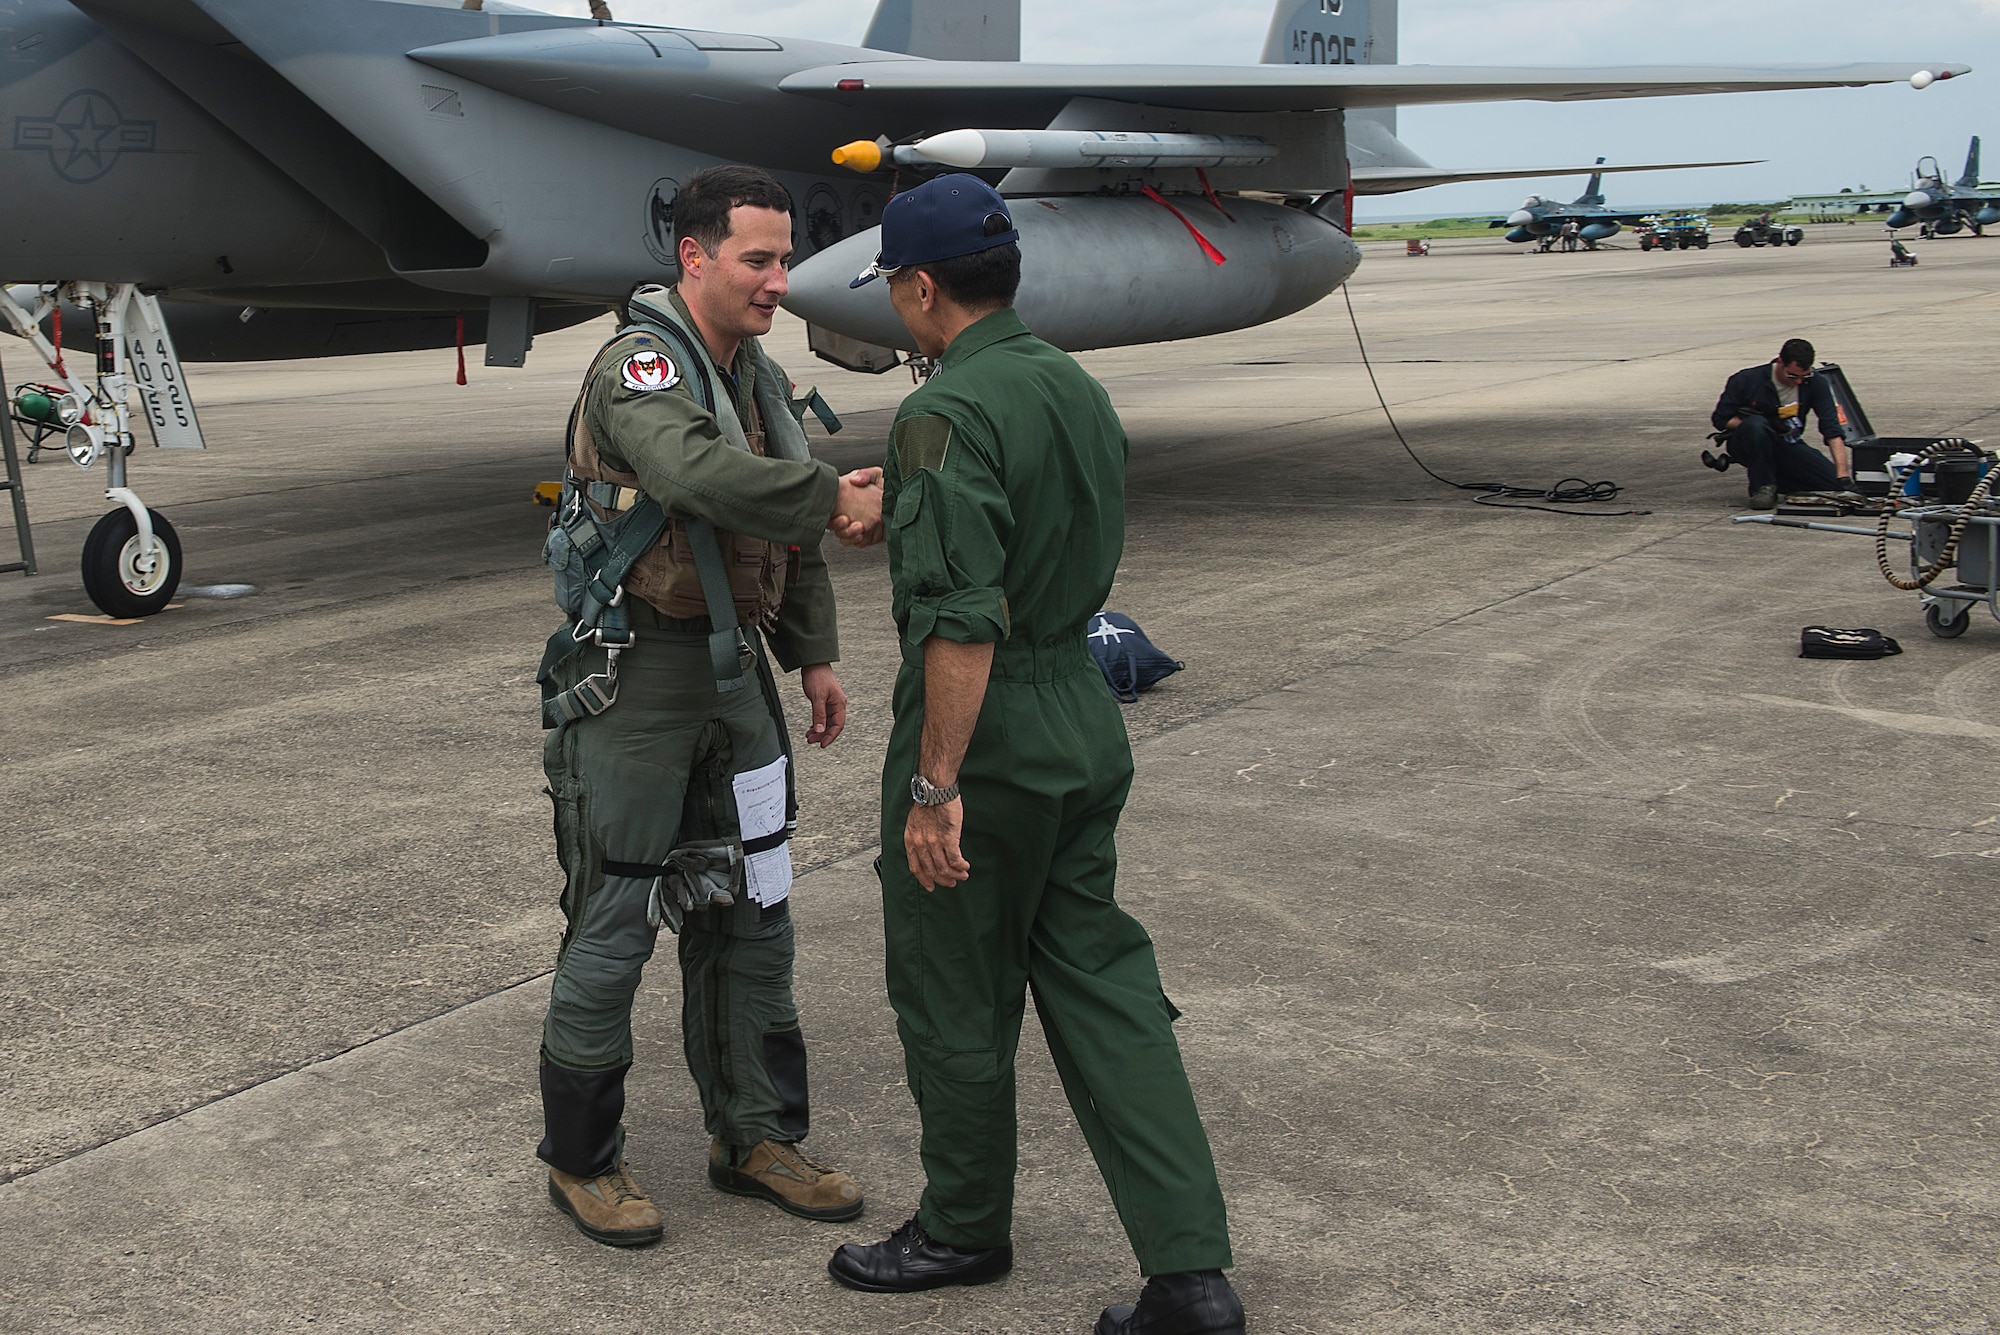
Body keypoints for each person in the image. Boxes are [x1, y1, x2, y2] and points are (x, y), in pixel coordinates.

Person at [826, 175, 1244, 1335]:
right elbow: (1029, 535)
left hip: (988, 726)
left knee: (953, 985)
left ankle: (961, 1227)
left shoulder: (941, 413)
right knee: (1103, 985)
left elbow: (963, 620)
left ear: (918, 288)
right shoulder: (1069, 382)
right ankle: (1189, 1274)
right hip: (1079, 707)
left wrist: (932, 787)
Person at [533, 165, 884, 1247]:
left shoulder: (757, 379)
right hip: (637, 683)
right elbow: (693, 478)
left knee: (754, 916)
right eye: (758, 260)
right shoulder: (640, 368)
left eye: (784, 259)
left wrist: (813, 659)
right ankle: (582, 1164)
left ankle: (755, 1137)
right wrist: (828, 498)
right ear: (695, 257)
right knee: (613, 927)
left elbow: (776, 536)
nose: (779, 281)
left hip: (740, 688)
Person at [1709, 337, 1852, 509]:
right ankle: (1762, 488)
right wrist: (1763, 425)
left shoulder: (1816, 382)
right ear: (1779, 362)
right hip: (1749, 441)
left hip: (1786, 442)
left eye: (1804, 376)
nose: (1798, 381)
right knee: (1757, 425)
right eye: (1792, 376)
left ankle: (1781, 481)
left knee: (1830, 485)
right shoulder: (1746, 380)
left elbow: (1832, 429)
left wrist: (1843, 477)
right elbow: (1720, 420)